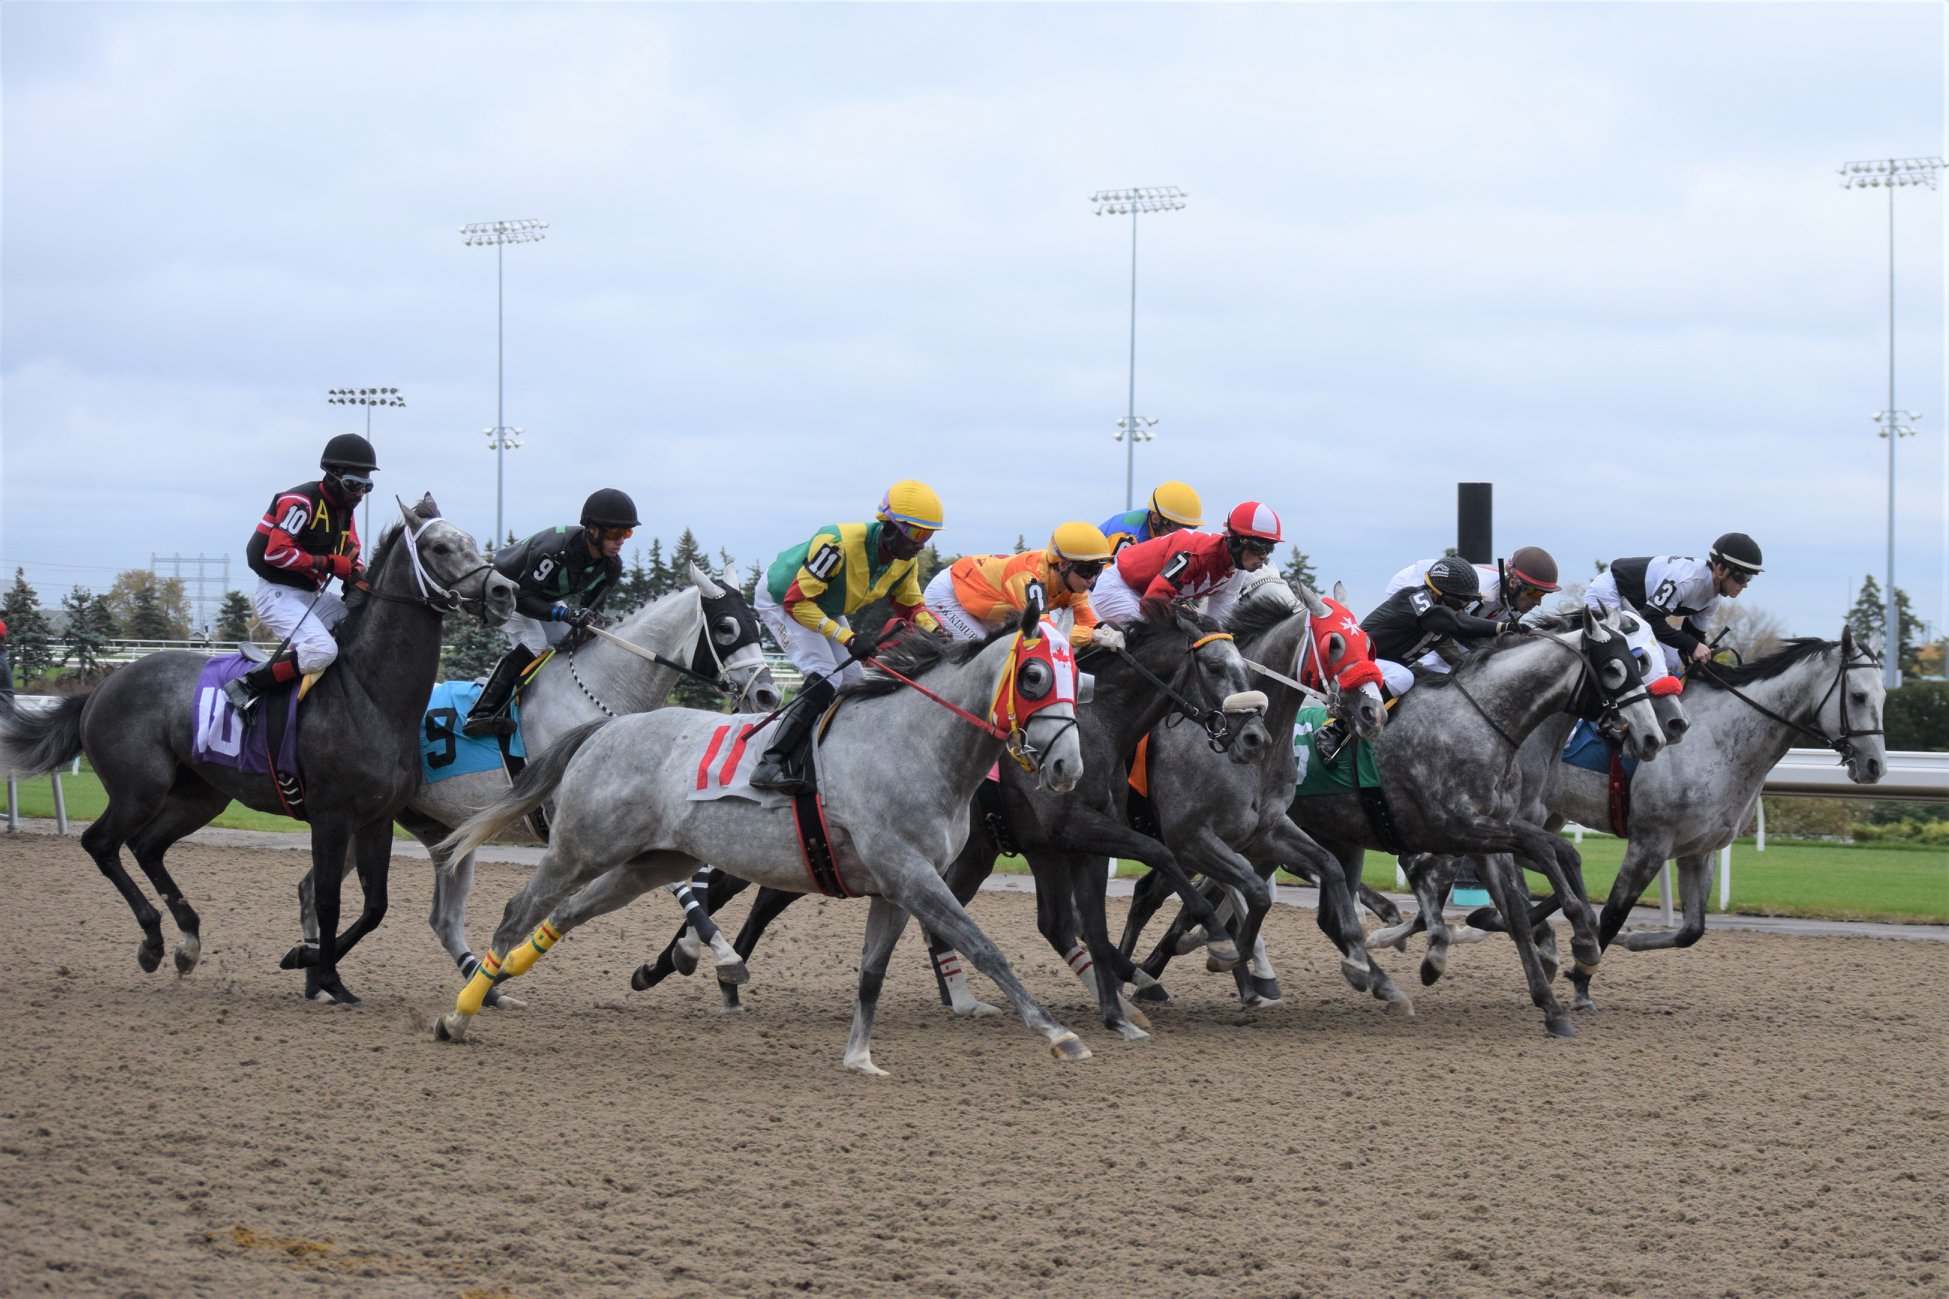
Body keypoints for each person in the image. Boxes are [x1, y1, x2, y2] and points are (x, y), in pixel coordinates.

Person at [748, 481, 947, 792]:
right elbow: (797, 603)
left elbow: (911, 606)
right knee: (826, 676)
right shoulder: (837, 544)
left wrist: (938, 632)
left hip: (823, 603)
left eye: (930, 535)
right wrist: (848, 638)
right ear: (892, 528)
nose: (922, 544)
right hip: (783, 598)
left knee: (854, 680)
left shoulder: (905, 562)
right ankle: (771, 761)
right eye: (919, 535)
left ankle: (834, 754)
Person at [461, 489, 641, 738]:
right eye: (614, 533)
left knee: (571, 642)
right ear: (592, 530)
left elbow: (590, 612)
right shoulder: (554, 551)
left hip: (538, 596)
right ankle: (480, 712)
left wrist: (590, 622)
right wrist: (564, 615)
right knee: (535, 643)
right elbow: (522, 599)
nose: (621, 540)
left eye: (627, 533)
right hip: (504, 592)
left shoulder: (611, 566)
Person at [224, 433, 376, 712]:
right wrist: (331, 564)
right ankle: (248, 684)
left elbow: (352, 553)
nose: (359, 494)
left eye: (367, 486)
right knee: (322, 651)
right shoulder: (300, 501)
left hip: (310, 596)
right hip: (278, 596)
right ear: (332, 476)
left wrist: (359, 577)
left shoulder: (344, 511)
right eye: (354, 484)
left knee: (364, 620)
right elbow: (275, 552)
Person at [1313, 556, 1510, 763]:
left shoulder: (1444, 612)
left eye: (1467, 603)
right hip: (1358, 662)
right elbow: (1453, 621)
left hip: (1383, 667)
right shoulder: (1413, 597)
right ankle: (1333, 729)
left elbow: (1471, 635)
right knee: (1403, 677)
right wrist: (1499, 626)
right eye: (1457, 602)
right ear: (1435, 592)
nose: (1462, 608)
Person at [924, 521, 1125, 651]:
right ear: (1063, 564)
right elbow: (1045, 633)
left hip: (985, 605)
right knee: (985, 656)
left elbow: (1089, 624)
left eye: (1097, 571)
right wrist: (1094, 636)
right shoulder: (1031, 579)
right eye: (1086, 571)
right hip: (951, 595)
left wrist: (1106, 631)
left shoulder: (1073, 585)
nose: (1092, 580)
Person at [1586, 533, 1763, 673]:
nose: (1745, 584)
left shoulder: (1713, 600)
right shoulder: (1686, 579)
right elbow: (1653, 619)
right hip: (1610, 593)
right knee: (1636, 657)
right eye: (1742, 576)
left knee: (1671, 662)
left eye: (1750, 578)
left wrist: (1701, 657)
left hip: (1637, 608)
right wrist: (1692, 646)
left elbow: (1693, 637)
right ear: (1720, 569)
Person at [1087, 501, 1283, 626]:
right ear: (1237, 541)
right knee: (1157, 640)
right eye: (1259, 547)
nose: (1264, 557)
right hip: (1117, 589)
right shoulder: (1194, 554)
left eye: (1270, 548)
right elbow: (1152, 602)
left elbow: (1219, 623)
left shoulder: (1237, 573)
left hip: (1146, 596)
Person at [1382, 545, 1561, 622]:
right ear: (1514, 582)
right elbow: (1448, 630)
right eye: (1535, 593)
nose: (1538, 602)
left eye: (1543, 595)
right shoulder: (1482, 592)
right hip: (1411, 582)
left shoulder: (1514, 603)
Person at [1099, 481, 1203, 553]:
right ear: (1156, 518)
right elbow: (1109, 582)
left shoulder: (1155, 528)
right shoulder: (1127, 536)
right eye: (1174, 526)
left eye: (1188, 528)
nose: (1181, 535)